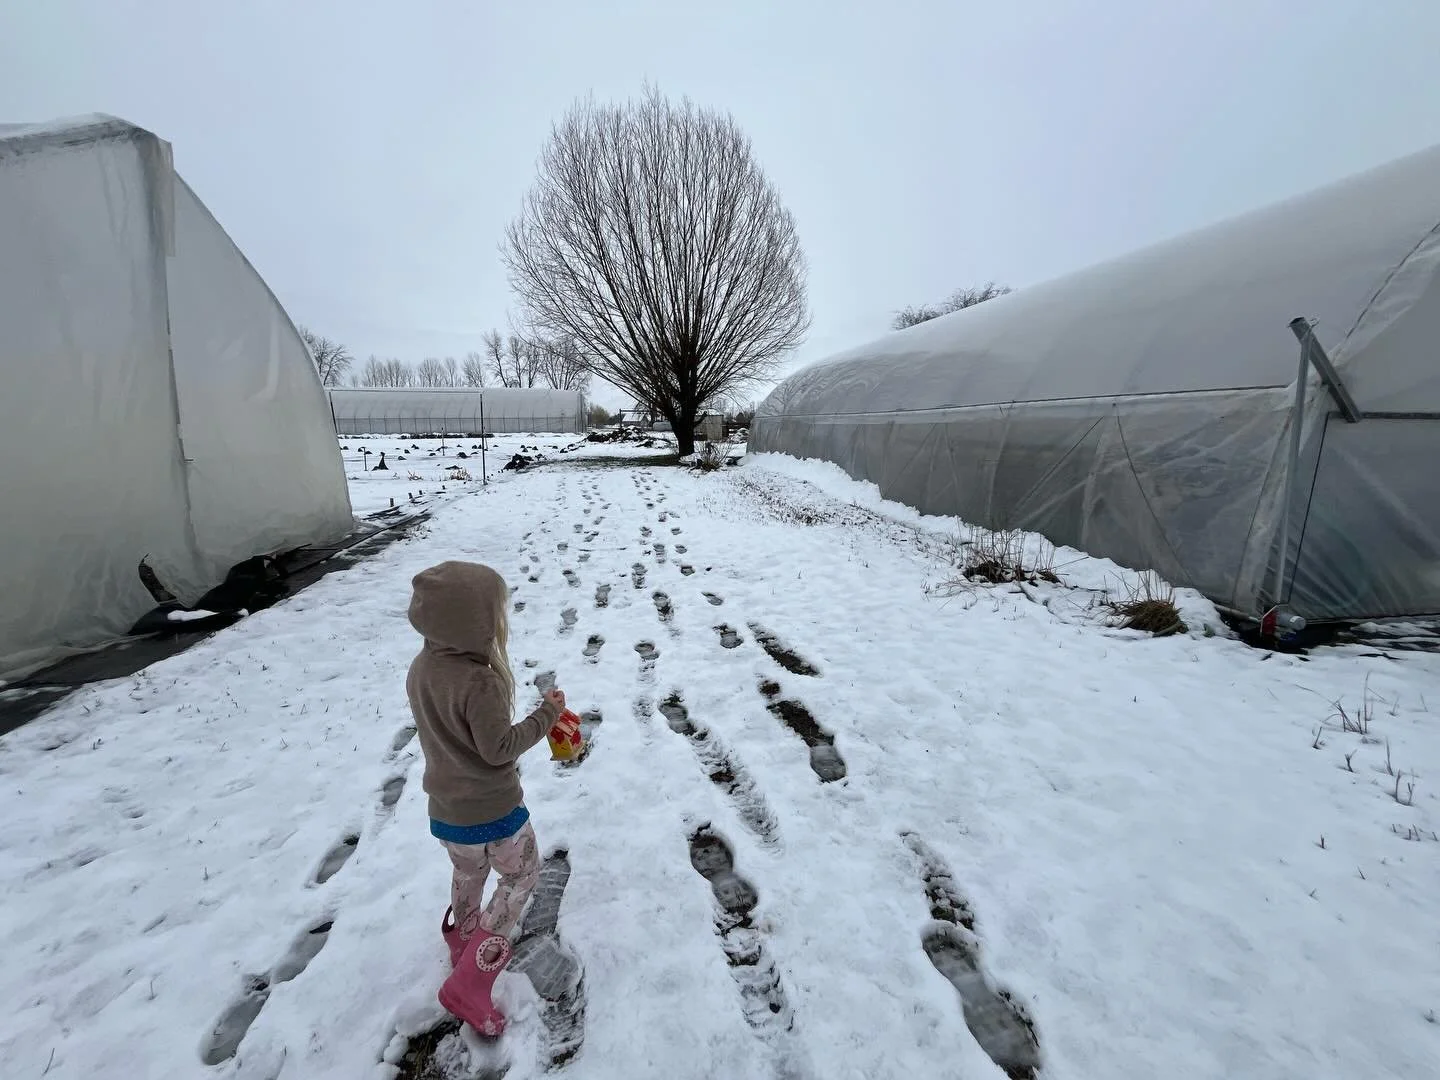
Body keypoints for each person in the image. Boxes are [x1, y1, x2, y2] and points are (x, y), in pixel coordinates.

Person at [405, 560, 565, 1037]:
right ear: (474, 623)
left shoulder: (422, 668)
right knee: (521, 876)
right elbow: (498, 750)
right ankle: (473, 978)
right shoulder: (481, 681)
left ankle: (461, 935)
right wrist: (548, 715)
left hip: (447, 813)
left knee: (467, 871)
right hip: (495, 813)